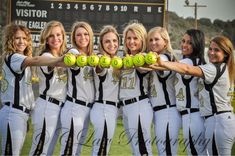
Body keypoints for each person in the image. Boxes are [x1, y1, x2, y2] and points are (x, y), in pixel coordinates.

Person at [156, 36, 235, 155]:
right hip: (219, 119)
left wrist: (161, 62)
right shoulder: (224, 68)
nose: (212, 53)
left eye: (217, 50)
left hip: (218, 120)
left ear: (226, 54)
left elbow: (187, 69)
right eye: (211, 49)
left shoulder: (214, 68)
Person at [0, 23, 64, 155]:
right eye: (17, 38)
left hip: (20, 113)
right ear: (10, 40)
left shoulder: (19, 58)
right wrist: (60, 59)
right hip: (13, 112)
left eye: (24, 38)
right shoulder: (13, 57)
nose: (21, 41)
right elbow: (35, 59)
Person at [29, 21, 67, 155]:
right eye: (51, 36)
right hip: (47, 107)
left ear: (63, 36)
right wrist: (74, 55)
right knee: (39, 150)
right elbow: (58, 62)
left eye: (58, 34)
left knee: (48, 151)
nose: (56, 39)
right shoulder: (46, 56)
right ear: (45, 38)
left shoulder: (62, 55)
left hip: (60, 108)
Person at [60, 21, 95, 156]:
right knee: (68, 151)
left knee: (77, 151)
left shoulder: (93, 57)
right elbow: (72, 54)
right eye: (78, 35)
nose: (83, 37)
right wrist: (74, 54)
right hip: (75, 108)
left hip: (87, 110)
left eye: (86, 34)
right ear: (74, 38)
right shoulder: (73, 53)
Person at [119, 22, 153, 155]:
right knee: (136, 150)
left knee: (143, 150)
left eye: (135, 38)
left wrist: (134, 61)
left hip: (138, 106)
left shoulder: (143, 57)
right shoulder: (125, 59)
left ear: (142, 40)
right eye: (128, 38)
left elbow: (144, 68)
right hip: (126, 108)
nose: (131, 41)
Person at [147, 27, 182, 155]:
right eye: (150, 40)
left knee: (167, 153)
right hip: (160, 112)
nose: (153, 42)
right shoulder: (156, 57)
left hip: (167, 111)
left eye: (157, 39)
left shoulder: (166, 57)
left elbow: (160, 66)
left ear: (165, 41)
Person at [90, 25, 121, 155]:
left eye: (114, 41)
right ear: (101, 44)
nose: (111, 44)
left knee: (102, 150)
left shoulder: (117, 61)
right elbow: (99, 68)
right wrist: (101, 64)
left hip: (111, 110)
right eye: (107, 41)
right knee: (100, 151)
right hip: (103, 108)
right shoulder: (100, 58)